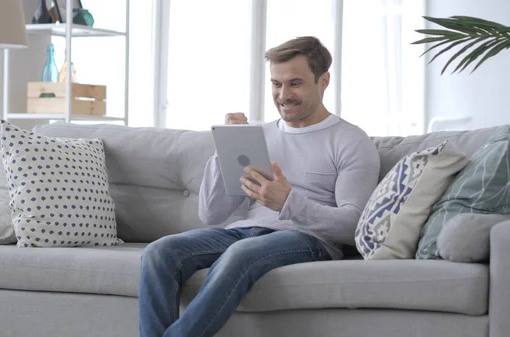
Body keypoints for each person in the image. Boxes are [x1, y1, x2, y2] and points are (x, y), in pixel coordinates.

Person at [138, 36, 380, 337]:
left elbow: (353, 226)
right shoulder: (259, 135)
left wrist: (288, 202)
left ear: (323, 81)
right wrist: (225, 145)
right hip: (244, 233)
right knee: (160, 251)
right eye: (276, 84)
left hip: (309, 240)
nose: (283, 95)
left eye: (295, 83)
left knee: (240, 254)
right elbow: (211, 214)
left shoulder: (351, 141)